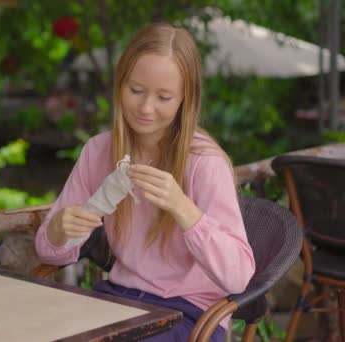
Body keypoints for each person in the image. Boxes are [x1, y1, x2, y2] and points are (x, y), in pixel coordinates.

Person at [34, 23, 255, 341]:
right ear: (120, 84)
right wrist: (58, 230)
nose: (145, 108)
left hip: (189, 313)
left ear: (184, 100)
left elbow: (239, 278)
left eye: (164, 97)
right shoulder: (99, 151)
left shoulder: (205, 164)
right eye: (136, 91)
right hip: (117, 300)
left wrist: (183, 208)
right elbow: (48, 251)